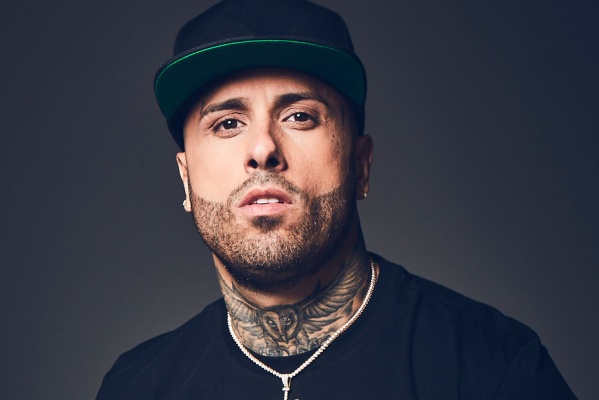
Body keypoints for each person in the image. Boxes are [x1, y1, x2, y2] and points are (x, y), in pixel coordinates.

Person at [96, 0, 576, 398]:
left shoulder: (492, 368)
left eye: (300, 116)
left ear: (360, 164)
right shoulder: (135, 387)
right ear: (185, 179)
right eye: (227, 123)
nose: (262, 149)